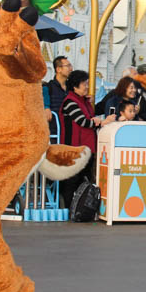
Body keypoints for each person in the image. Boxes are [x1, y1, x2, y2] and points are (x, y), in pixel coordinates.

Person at [59, 70, 115, 209]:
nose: (87, 86)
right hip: (73, 148)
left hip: (86, 148)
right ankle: (67, 208)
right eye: (84, 84)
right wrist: (100, 122)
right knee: (72, 181)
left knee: (80, 179)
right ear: (75, 86)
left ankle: (76, 208)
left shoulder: (83, 101)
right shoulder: (70, 102)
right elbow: (83, 121)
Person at [43, 56, 71, 137]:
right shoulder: (49, 87)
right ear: (58, 69)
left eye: (70, 66)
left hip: (68, 128)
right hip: (55, 129)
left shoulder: (71, 88)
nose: (70, 69)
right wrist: (46, 107)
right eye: (67, 66)